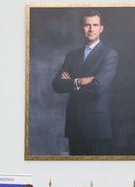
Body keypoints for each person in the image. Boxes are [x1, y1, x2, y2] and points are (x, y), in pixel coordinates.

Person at [51, 10, 119, 156]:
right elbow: (56, 84)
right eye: (87, 25)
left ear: (101, 28)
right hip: (74, 125)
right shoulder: (72, 56)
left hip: (97, 127)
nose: (91, 29)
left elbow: (98, 88)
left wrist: (70, 82)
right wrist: (80, 81)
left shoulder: (109, 54)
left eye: (95, 25)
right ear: (82, 28)